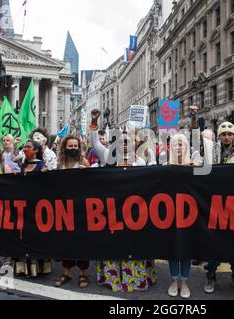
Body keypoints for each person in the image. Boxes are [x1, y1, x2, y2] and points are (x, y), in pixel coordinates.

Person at [90, 110, 157, 293]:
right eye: (120, 141)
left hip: (135, 214)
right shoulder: (107, 157)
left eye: (127, 141)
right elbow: (95, 142)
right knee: (113, 245)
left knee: (135, 245)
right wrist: (94, 122)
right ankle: (112, 278)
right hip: (111, 213)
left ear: (134, 143)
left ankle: (135, 279)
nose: (124, 144)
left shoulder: (141, 162)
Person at [203, 121, 234, 295]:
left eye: (229, 134)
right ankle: (211, 274)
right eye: (223, 134)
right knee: (213, 239)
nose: (226, 137)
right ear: (219, 136)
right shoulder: (211, 150)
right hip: (214, 202)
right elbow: (200, 167)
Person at [54, 136, 91, 288]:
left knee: (82, 240)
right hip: (64, 208)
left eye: (76, 145)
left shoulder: (84, 163)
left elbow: (95, 184)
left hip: (81, 209)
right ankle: (67, 271)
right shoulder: (60, 164)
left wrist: (87, 173)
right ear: (65, 148)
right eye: (70, 146)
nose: (73, 148)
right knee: (65, 239)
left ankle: (83, 273)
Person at [13, 140, 50, 277]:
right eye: (24, 147)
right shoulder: (23, 164)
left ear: (36, 150)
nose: (25, 149)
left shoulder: (41, 165)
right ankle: (24, 268)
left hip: (36, 207)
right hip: (23, 206)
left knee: (35, 236)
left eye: (28, 147)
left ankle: (37, 268)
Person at [165, 134, 193, 299]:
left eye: (181, 144)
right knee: (173, 247)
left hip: (190, 213)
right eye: (175, 144)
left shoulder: (195, 165)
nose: (178, 147)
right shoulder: (165, 166)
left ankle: (185, 281)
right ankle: (174, 280)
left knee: (187, 246)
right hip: (170, 213)